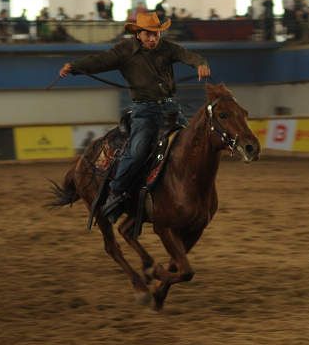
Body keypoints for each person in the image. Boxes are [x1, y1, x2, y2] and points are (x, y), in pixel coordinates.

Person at [58, 12, 211, 227]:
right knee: (138, 150)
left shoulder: (167, 48)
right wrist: (74, 67)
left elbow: (188, 55)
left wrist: (200, 63)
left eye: (156, 34)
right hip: (144, 111)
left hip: (170, 108)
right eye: (148, 35)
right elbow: (99, 61)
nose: (153, 39)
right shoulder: (124, 51)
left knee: (193, 143)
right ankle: (116, 194)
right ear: (138, 34)